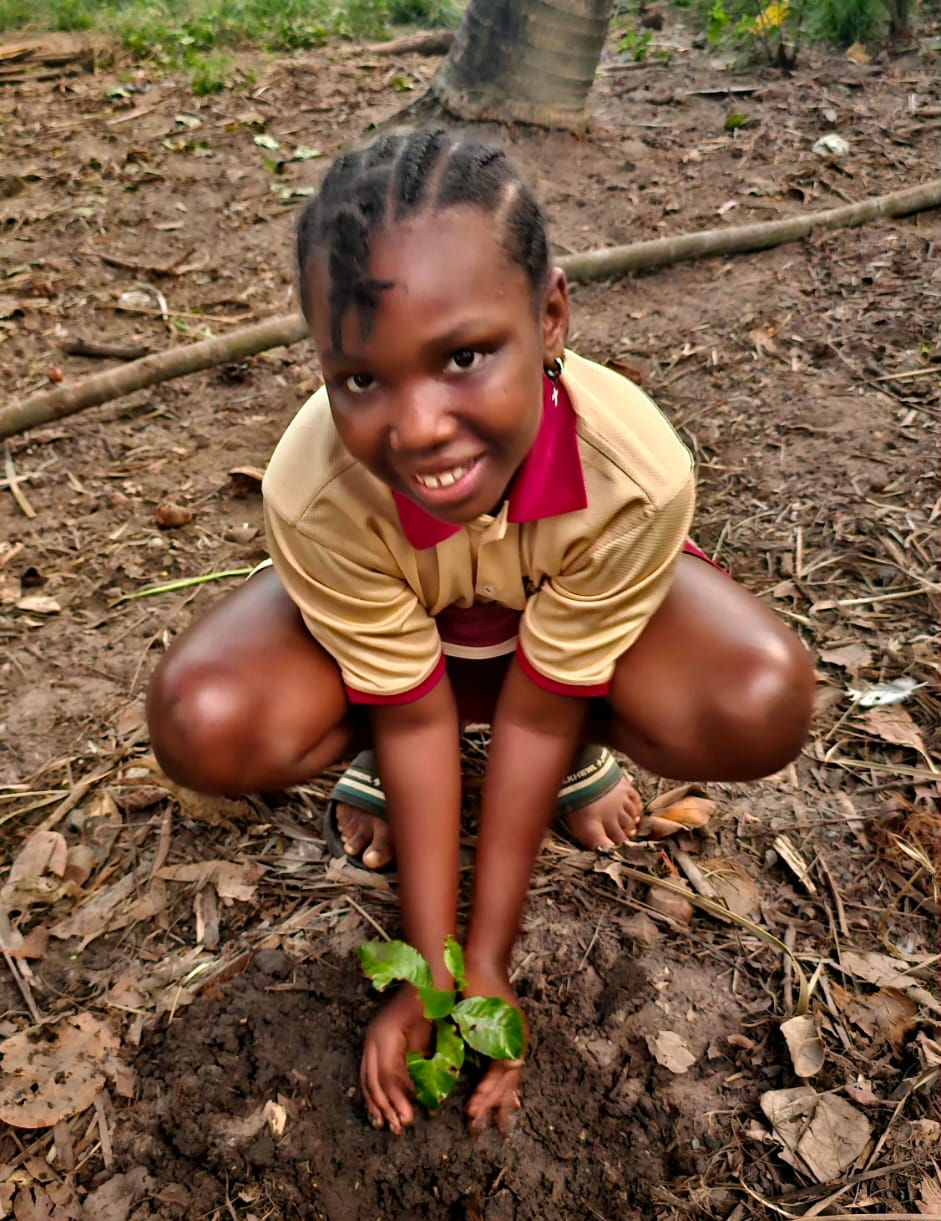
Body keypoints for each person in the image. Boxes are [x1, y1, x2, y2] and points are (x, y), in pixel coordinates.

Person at [147, 129, 814, 1139]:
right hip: (411, 655)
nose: (415, 428)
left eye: (462, 357)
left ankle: (584, 764)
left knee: (756, 697)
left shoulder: (634, 471)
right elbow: (418, 719)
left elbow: (542, 706)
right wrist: (431, 967)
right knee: (207, 717)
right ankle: (361, 761)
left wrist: (490, 965)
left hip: (548, 660)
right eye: (361, 379)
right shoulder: (316, 486)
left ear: (548, 316)